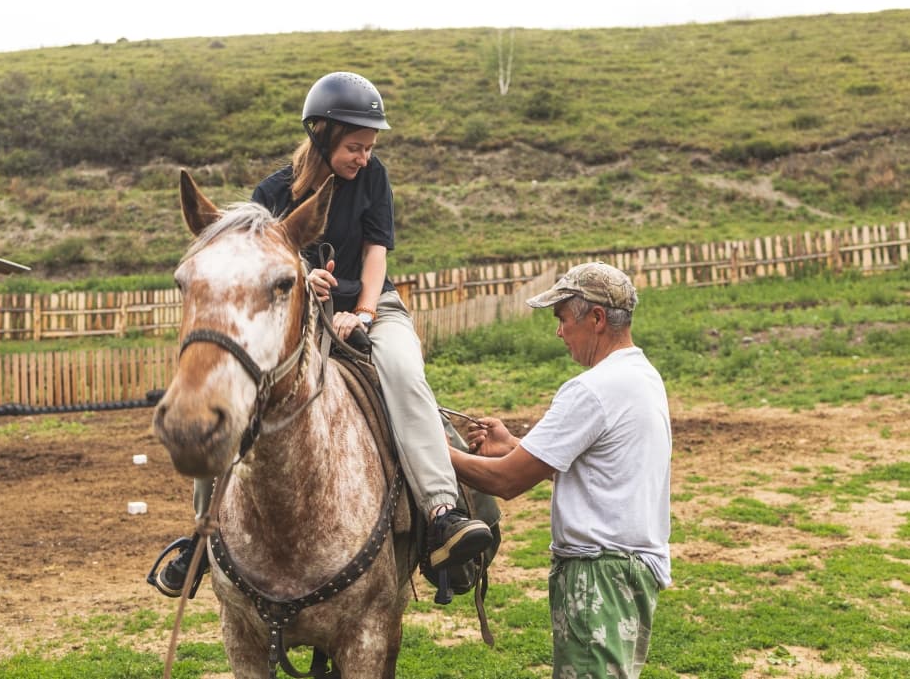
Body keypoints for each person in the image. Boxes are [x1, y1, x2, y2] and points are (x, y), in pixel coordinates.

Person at [151, 71, 492, 597]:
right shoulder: (271, 193)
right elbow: (258, 266)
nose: (363, 156)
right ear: (323, 135)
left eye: (369, 147)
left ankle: (441, 511)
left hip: (373, 305)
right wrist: (303, 279)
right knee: (228, 389)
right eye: (355, 146)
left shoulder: (374, 179)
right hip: (297, 309)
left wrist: (363, 312)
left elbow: (376, 254)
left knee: (403, 372)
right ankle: (202, 534)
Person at [448, 261, 672, 679]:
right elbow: (600, 471)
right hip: (630, 572)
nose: (559, 331)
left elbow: (506, 481)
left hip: (597, 576)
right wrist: (514, 446)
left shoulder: (590, 390)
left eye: (563, 319)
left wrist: (430, 451)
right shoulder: (642, 377)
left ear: (597, 319)